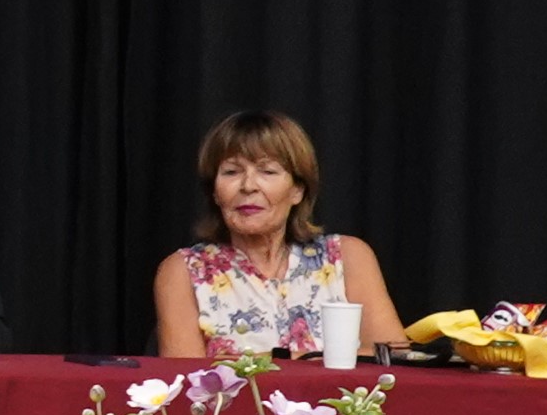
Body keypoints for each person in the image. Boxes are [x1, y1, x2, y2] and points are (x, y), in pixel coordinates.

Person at [154, 108, 402, 359]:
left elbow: (393, 358)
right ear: (215, 193)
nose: (248, 186)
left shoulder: (348, 257)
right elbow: (183, 375)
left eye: (267, 171)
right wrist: (313, 360)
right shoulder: (183, 271)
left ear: (297, 190)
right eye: (231, 172)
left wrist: (277, 361)